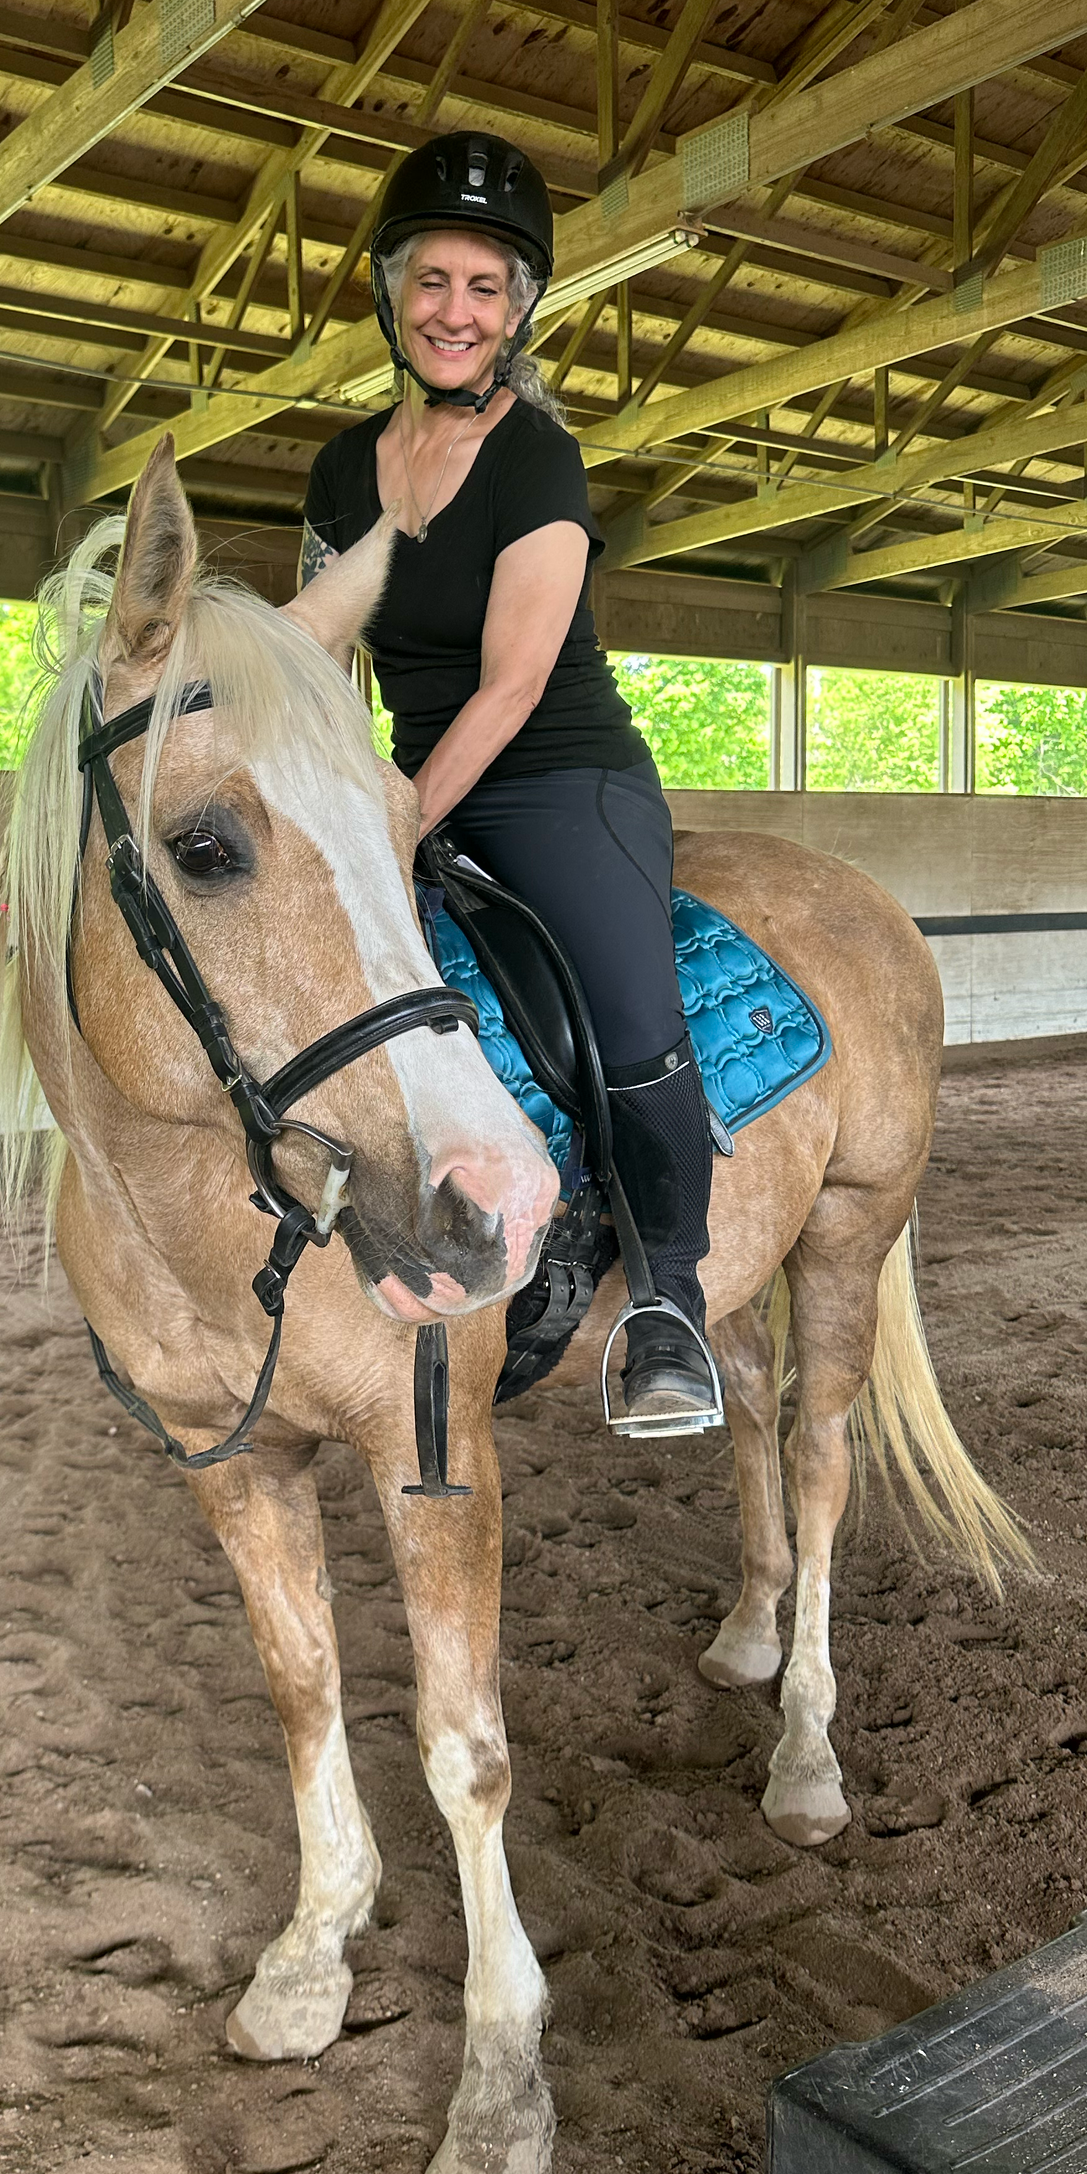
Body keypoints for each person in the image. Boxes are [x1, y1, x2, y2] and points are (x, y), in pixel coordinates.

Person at [300, 130, 719, 1433]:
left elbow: (513, 681)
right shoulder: (339, 467)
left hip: (555, 776)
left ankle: (667, 1305)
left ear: (517, 308)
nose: (455, 312)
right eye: (434, 281)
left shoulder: (536, 458)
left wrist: (398, 814)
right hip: (408, 780)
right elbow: (314, 655)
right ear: (389, 290)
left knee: (628, 1008)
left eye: (485, 289)